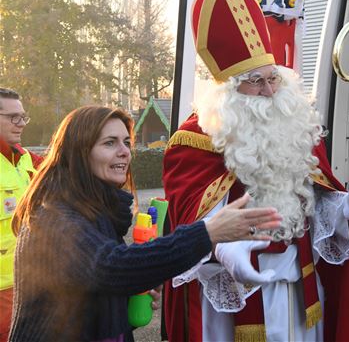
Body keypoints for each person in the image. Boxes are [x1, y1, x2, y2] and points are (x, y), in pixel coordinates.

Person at [162, 0, 349, 342]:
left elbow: (316, 206)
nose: (269, 92)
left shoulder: (294, 126)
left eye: (273, 78)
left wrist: (346, 209)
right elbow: (186, 231)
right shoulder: (193, 142)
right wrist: (221, 251)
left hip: (300, 296)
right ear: (228, 91)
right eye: (256, 82)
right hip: (232, 302)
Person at [8, 105, 282, 342]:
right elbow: (110, 266)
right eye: (110, 143)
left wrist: (125, 302)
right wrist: (207, 232)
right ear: (79, 153)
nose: (125, 152)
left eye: (127, 142)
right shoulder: (53, 214)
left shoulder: (96, 211)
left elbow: (88, 288)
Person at [0, 88, 42, 342]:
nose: (21, 124)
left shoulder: (27, 159)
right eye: (13, 117)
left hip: (29, 284)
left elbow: (69, 169)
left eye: (23, 117)